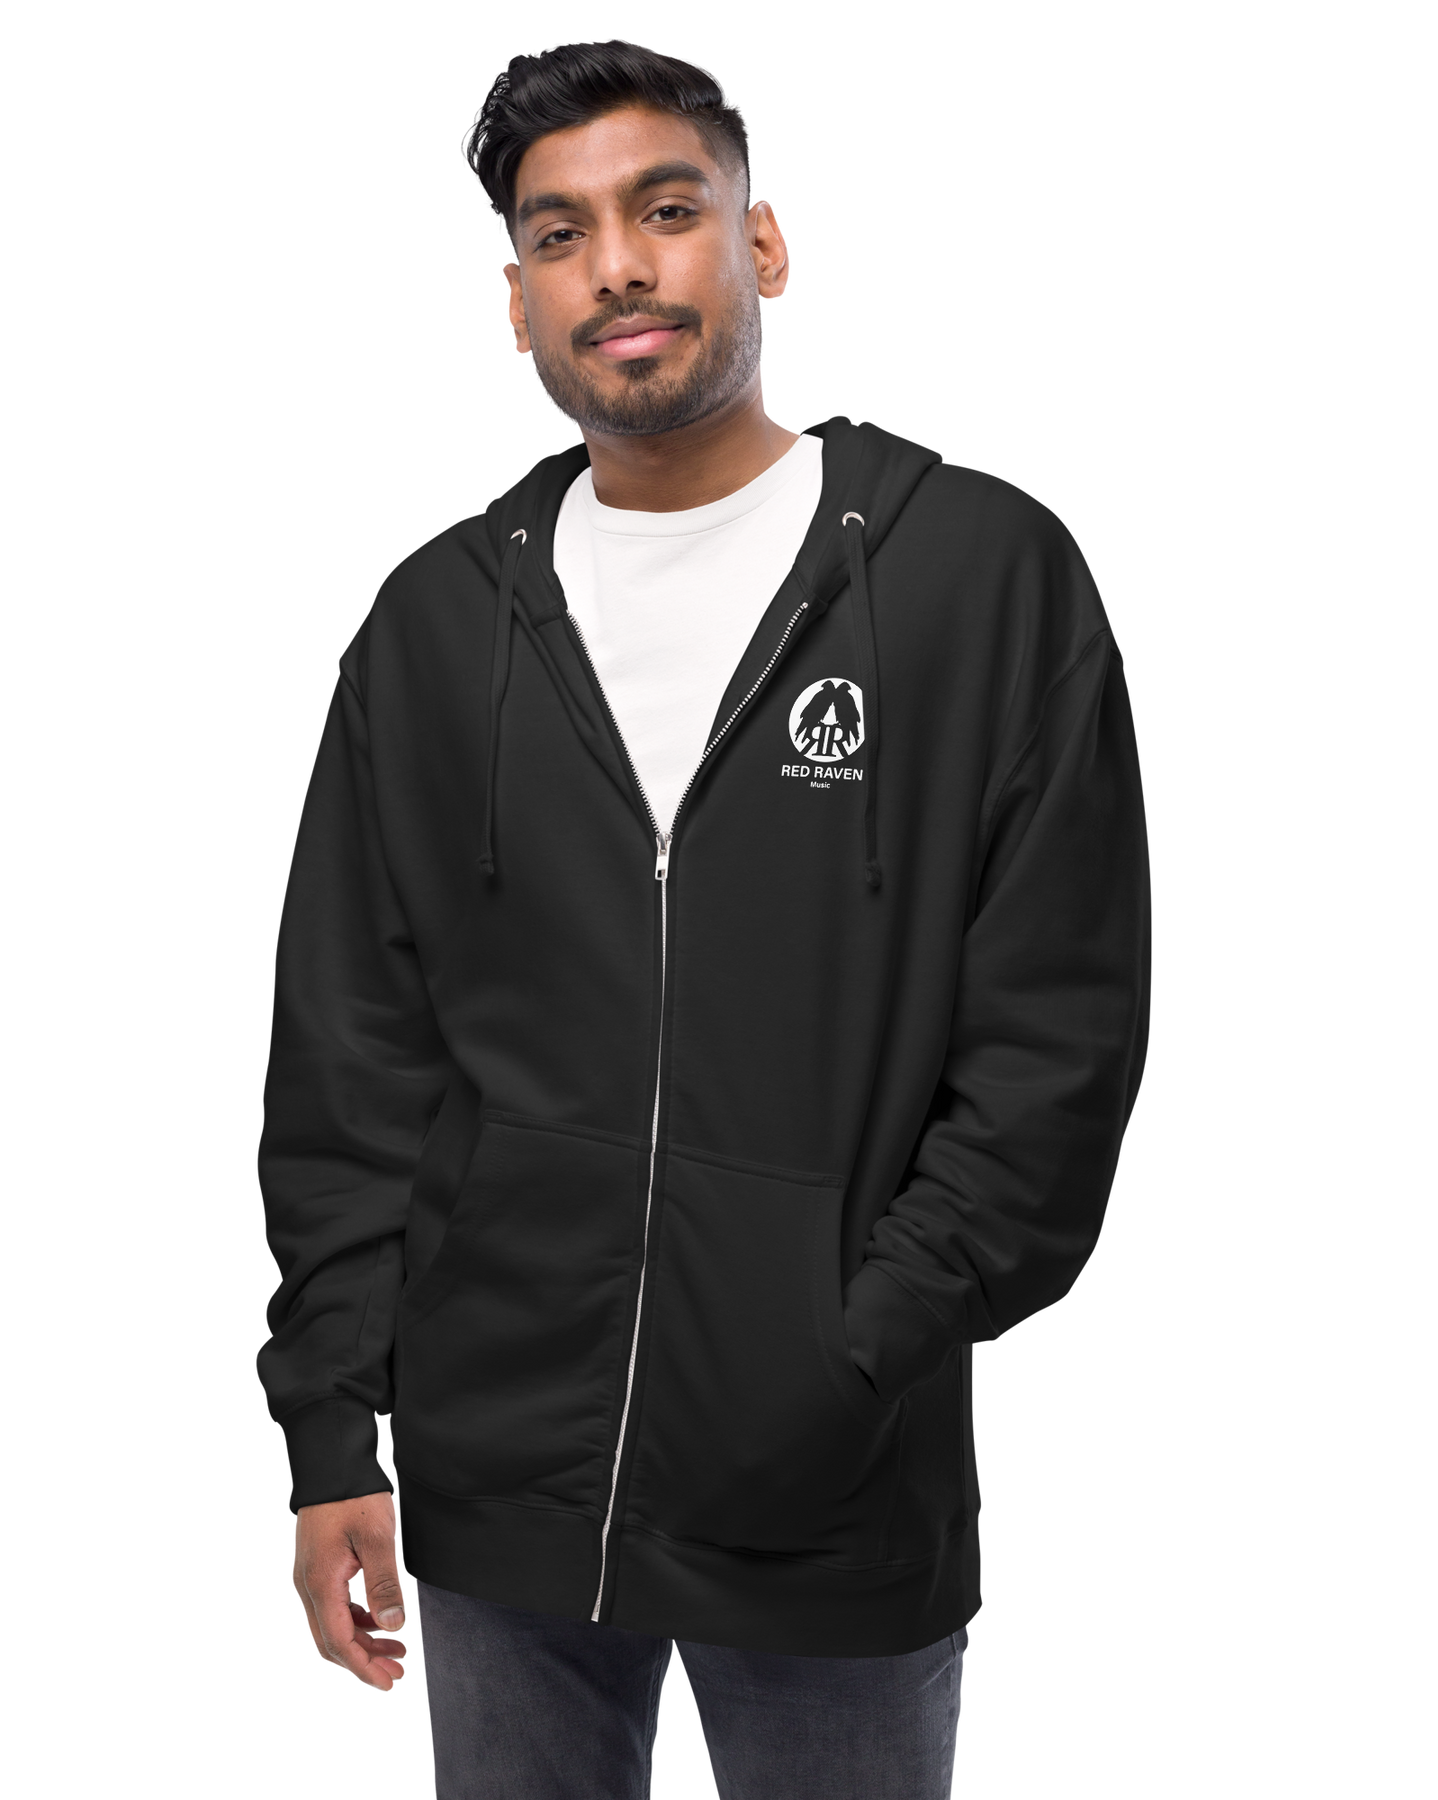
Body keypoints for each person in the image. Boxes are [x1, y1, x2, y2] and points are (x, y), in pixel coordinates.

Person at [255, 35, 1153, 1799]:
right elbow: (350, 1067)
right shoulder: (434, 622)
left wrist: (852, 1352)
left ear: (764, 246)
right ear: (514, 305)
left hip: (834, 1498)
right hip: (490, 1498)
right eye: (559, 234)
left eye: (666, 210)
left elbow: (1061, 1046)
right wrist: (332, 1440)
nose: (618, 266)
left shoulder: (981, 575)